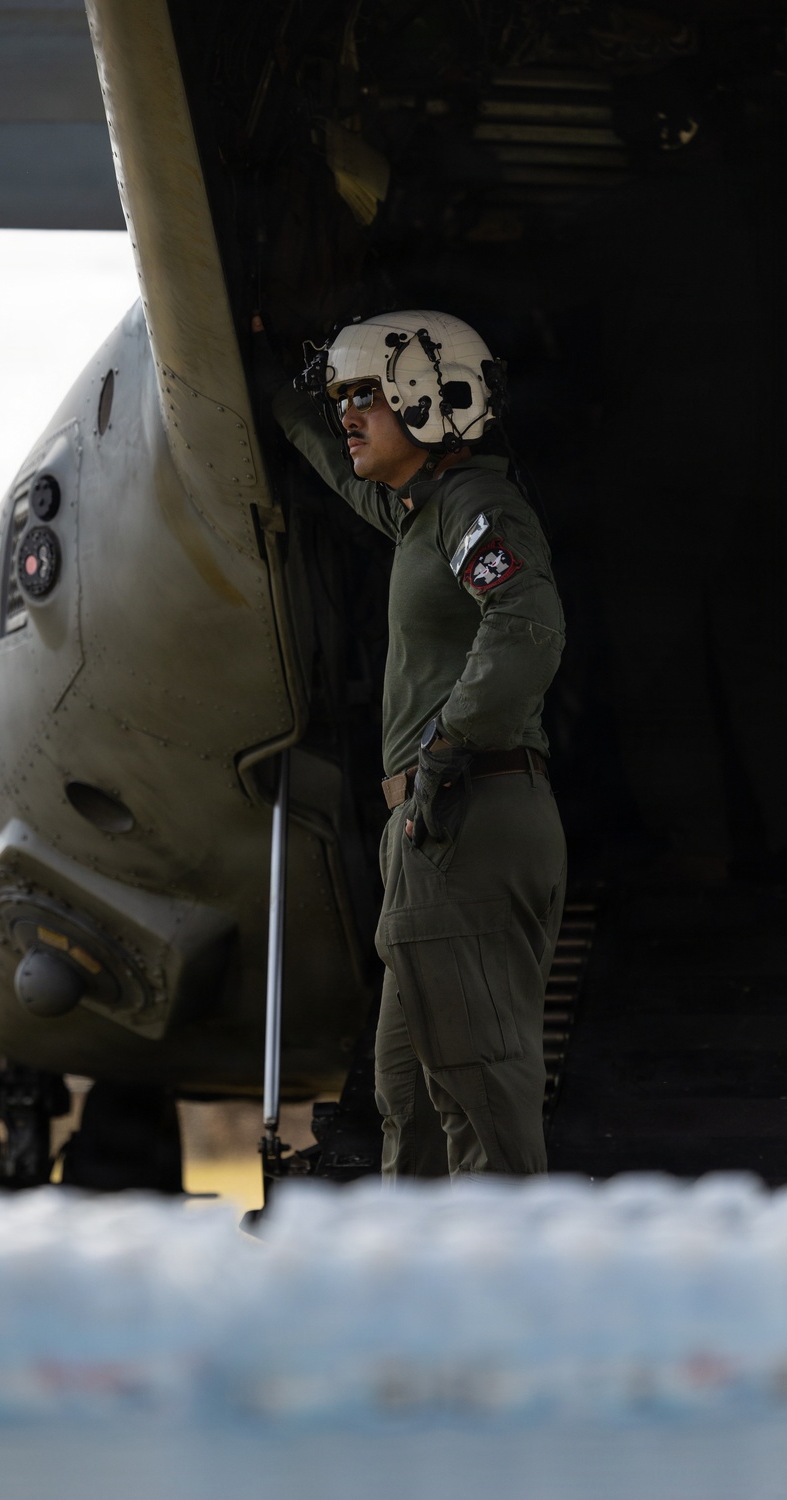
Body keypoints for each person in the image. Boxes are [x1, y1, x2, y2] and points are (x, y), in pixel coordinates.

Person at [273, 310, 566, 1179]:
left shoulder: (474, 506)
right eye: (340, 400)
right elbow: (338, 465)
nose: (348, 416)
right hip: (433, 829)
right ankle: (428, 1300)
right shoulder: (421, 516)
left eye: (365, 395)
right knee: (408, 1096)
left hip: (465, 813)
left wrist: (447, 746)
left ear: (429, 400)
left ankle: (505, 1301)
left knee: (479, 1092)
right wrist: (268, 385)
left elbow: (527, 621)